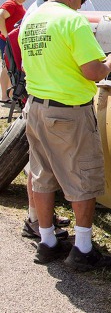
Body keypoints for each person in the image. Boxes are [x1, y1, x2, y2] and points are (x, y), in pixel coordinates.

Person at [19, 0, 111, 270]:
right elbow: (92, 70)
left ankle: (48, 240)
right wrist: (110, 64)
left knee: (42, 175)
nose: (83, 5)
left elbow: (27, 67)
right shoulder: (71, 20)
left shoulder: (32, 19)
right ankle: (83, 248)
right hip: (67, 112)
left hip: (36, 107)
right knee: (84, 177)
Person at [5, 21, 69, 241]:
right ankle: (36, 220)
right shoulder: (46, 22)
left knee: (39, 165)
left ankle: (40, 217)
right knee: (40, 167)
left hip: (33, 100)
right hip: (40, 101)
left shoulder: (31, 23)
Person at [0, 0, 32, 102]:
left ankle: (9, 93)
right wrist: (5, 34)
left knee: (11, 67)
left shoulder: (19, 6)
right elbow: (0, 16)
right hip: (7, 42)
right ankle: (4, 96)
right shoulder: (11, 4)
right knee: (6, 66)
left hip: (12, 42)